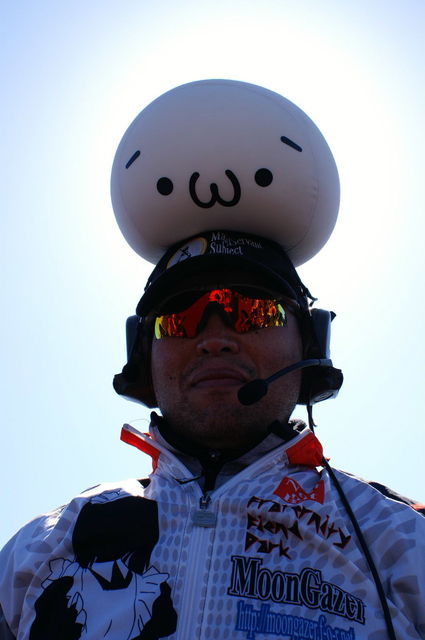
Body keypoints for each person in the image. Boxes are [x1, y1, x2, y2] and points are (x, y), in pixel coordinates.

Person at [1, 81, 424, 640]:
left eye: (253, 311)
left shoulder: (399, 542)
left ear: (308, 346)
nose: (216, 338)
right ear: (143, 354)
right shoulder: (37, 551)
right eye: (181, 317)